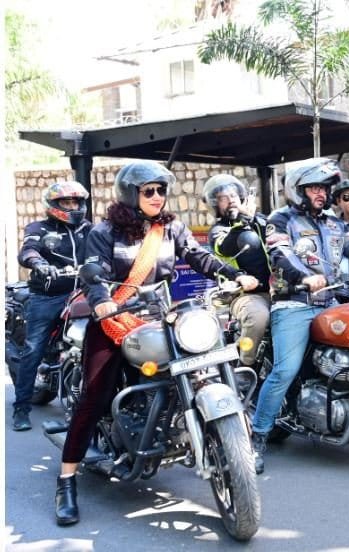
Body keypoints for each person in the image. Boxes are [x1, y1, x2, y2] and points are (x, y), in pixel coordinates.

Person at [54, 161, 255, 526]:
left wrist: (234, 274)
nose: (157, 196)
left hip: (159, 314)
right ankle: (66, 480)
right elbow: (93, 273)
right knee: (95, 395)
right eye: (149, 191)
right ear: (131, 194)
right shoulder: (105, 231)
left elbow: (198, 256)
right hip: (115, 316)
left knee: (202, 360)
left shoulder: (171, 227)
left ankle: (228, 441)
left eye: (161, 190)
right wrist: (102, 300)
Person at [252, 159, 349, 474]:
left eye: (324, 188)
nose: (321, 193)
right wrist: (304, 277)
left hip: (332, 301)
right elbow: (280, 253)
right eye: (314, 188)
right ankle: (257, 437)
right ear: (297, 189)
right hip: (294, 303)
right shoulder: (281, 219)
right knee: (285, 370)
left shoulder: (334, 223)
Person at [14, 181, 92, 431]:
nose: (72, 207)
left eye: (75, 202)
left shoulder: (89, 229)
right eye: (66, 202)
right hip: (48, 296)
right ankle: (21, 409)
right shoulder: (39, 228)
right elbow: (28, 250)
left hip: (84, 294)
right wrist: (39, 264)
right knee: (33, 349)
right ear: (53, 205)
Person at [204, 174, 272, 372]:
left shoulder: (261, 221)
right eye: (223, 198)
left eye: (233, 195)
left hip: (280, 290)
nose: (231, 200)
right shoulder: (218, 230)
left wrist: (252, 219)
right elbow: (223, 246)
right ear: (215, 204)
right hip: (245, 295)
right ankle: (245, 365)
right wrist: (242, 224)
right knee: (257, 316)